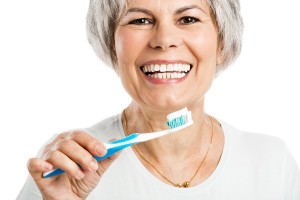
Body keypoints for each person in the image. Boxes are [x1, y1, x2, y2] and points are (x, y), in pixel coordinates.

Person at [17, 0, 300, 199]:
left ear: (222, 43)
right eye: (140, 20)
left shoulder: (271, 162)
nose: (164, 39)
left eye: (188, 19)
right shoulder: (66, 167)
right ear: (112, 46)